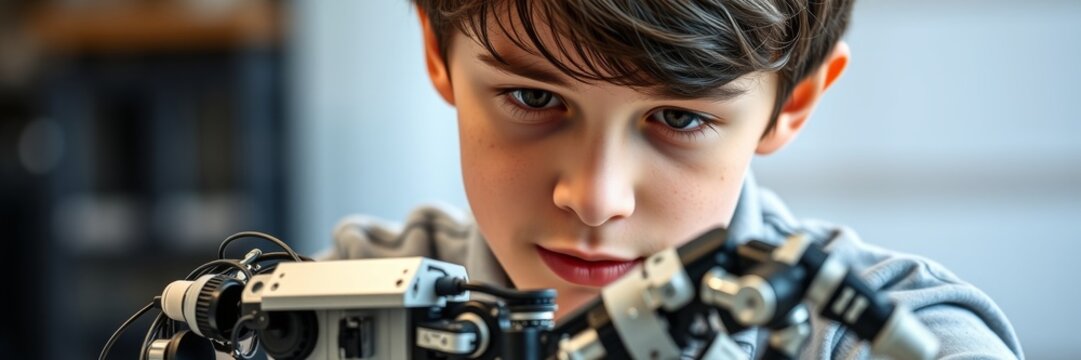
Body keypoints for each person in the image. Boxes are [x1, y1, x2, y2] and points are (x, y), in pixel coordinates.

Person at [322, 0, 1023, 358]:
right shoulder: (330, 306)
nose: (595, 200)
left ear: (794, 101)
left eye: (677, 118)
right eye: (534, 99)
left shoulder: (891, 335)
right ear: (435, 52)